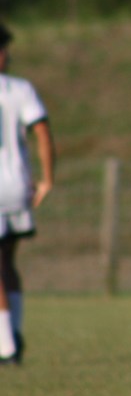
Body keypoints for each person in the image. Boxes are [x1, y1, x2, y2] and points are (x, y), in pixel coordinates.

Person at [0, 24, 55, 365]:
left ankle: (6, 346)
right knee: (7, 262)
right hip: (18, 185)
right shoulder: (20, 89)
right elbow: (42, 132)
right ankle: (14, 330)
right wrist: (48, 179)